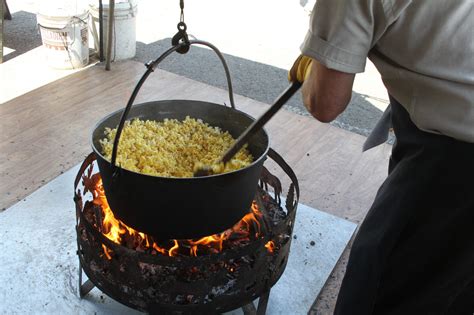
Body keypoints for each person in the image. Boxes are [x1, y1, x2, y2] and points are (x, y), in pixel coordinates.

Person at [289, 0, 474, 314]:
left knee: (379, 289)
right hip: (442, 125)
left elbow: (325, 104)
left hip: (457, 157)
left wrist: (315, 71)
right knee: (454, 284)